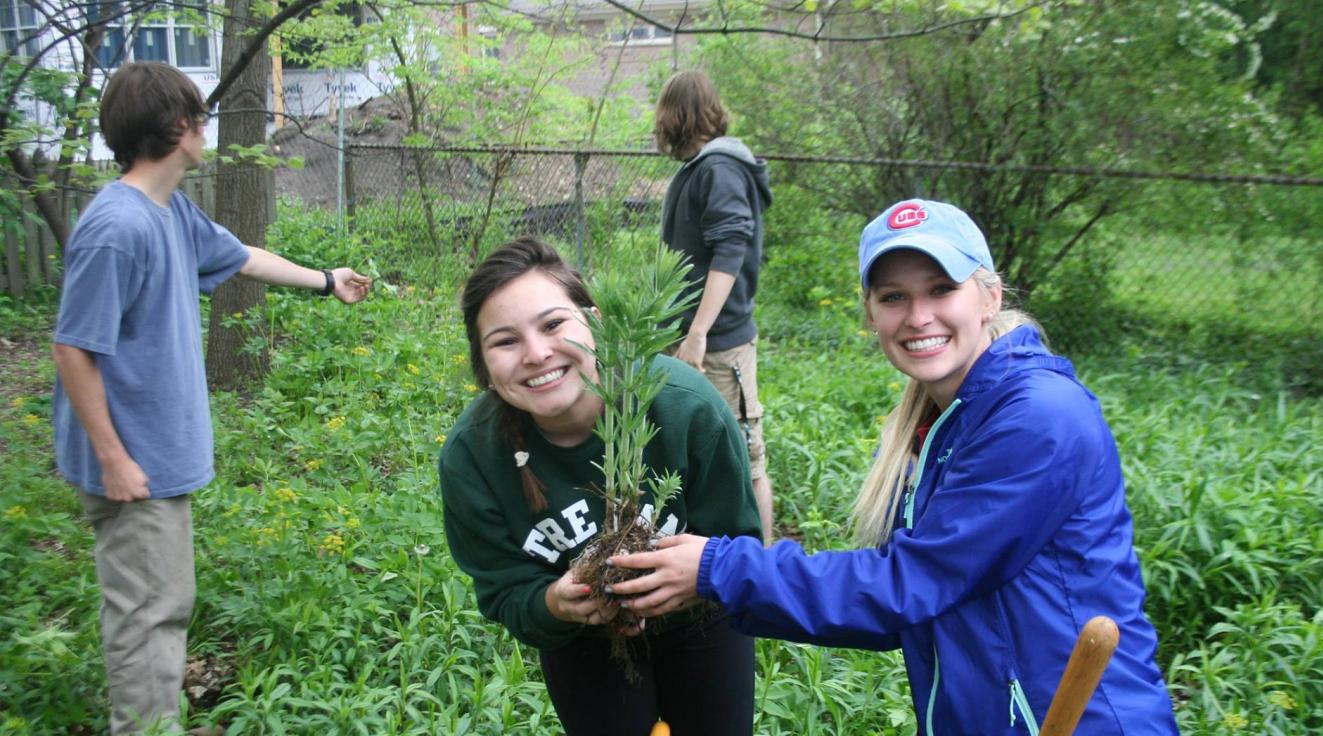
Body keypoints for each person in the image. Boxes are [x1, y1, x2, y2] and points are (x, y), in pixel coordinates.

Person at [608, 200, 1180, 735]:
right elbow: (910, 607)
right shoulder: (946, 420)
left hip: (1075, 717)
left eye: (941, 289)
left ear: (989, 297)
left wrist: (719, 568)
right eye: (894, 297)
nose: (918, 316)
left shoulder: (1038, 418)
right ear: (871, 313)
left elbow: (909, 585)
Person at [50, 62, 372, 734]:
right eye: (199, 115)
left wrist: (324, 279)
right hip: (133, 466)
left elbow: (241, 255)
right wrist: (112, 458)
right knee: (150, 613)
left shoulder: (168, 210)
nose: (207, 127)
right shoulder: (118, 227)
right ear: (179, 128)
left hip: (157, 458)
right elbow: (73, 348)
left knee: (165, 602)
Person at [438, 237, 762, 736]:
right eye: (505, 341)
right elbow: (503, 590)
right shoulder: (472, 457)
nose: (537, 353)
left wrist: (695, 583)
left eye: (553, 324)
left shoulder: (685, 407)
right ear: (482, 366)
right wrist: (554, 603)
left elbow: (742, 545)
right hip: (580, 637)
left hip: (703, 622)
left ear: (596, 323)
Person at [654, 70, 775, 542]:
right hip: (690, 342)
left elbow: (731, 248)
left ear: (674, 116)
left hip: (718, 347)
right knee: (694, 452)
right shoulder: (701, 168)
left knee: (745, 459)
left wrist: (699, 333)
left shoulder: (720, 169)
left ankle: (761, 572)